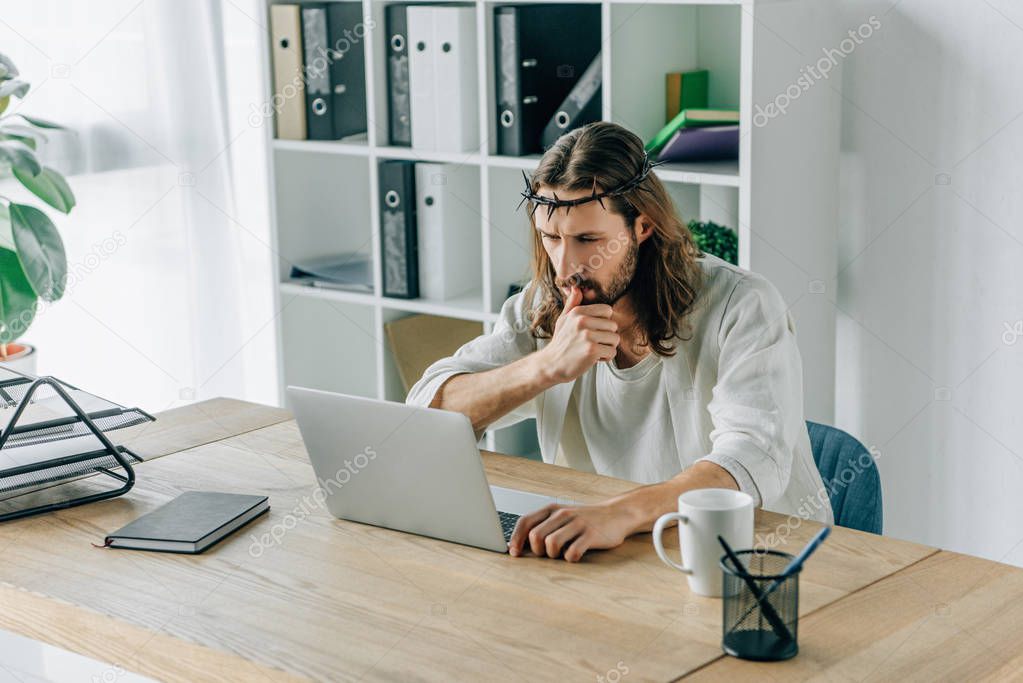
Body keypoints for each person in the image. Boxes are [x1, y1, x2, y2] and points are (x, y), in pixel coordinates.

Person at [406, 121, 833, 562]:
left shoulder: (743, 305)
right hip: (620, 555)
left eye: (588, 240)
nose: (564, 266)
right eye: (551, 238)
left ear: (642, 227)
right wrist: (545, 366)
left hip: (758, 560)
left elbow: (751, 458)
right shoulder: (540, 305)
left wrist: (618, 514)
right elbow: (423, 416)